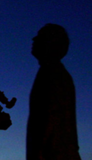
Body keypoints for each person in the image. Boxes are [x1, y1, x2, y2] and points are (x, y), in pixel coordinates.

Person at [27, 24, 81, 160]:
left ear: (51, 43)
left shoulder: (51, 73)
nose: (34, 40)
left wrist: (39, 154)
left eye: (40, 37)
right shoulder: (55, 72)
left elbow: (49, 116)